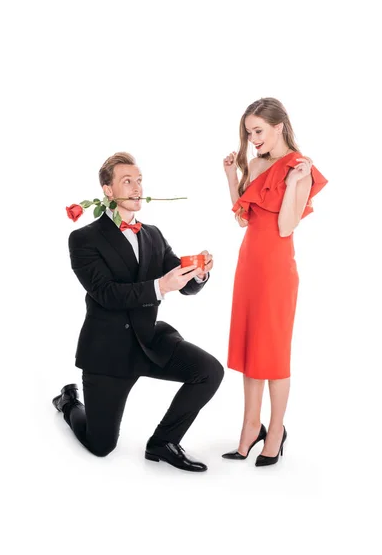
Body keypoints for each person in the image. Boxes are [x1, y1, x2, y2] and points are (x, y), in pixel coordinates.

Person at [53, 152, 224, 472]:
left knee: (210, 371)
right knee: (100, 446)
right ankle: (68, 403)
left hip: (149, 342)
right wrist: (160, 286)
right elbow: (105, 293)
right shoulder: (83, 238)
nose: (136, 187)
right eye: (126, 181)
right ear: (108, 189)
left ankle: (163, 443)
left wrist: (198, 273)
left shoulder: (153, 234)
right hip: (107, 352)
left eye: (139, 180)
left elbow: (181, 283)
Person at [222, 98, 327, 466]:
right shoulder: (254, 163)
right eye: (249, 133)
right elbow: (242, 219)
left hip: (277, 273)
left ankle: (276, 431)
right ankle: (251, 426)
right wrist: (231, 179)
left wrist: (296, 182)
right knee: (251, 349)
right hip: (248, 265)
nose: (252, 139)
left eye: (258, 131)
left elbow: (286, 226)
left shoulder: (300, 166)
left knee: (273, 354)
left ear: (278, 126)